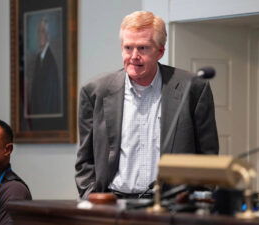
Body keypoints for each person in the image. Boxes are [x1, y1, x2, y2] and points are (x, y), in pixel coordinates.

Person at [75, 11, 219, 199]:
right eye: (128, 48)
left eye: (142, 48)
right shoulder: (95, 92)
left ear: (160, 51)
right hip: (112, 203)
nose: (134, 56)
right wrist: (90, 195)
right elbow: (85, 159)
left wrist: (200, 200)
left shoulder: (193, 88)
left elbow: (207, 157)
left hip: (173, 205)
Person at [28, 17, 60, 115]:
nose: (39, 35)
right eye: (39, 32)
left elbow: (49, 96)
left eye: (42, 31)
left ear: (48, 35)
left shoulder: (51, 61)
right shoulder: (39, 57)